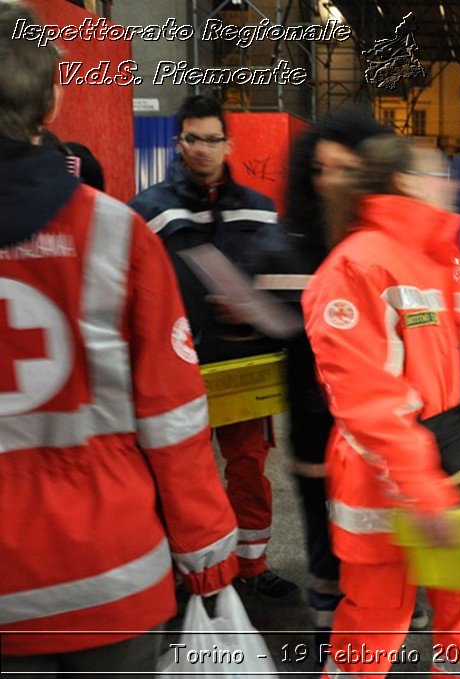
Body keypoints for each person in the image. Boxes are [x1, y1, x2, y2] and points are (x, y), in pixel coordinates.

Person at [0, 1, 238, 675]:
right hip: (112, 576)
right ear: (52, 102)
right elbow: (173, 413)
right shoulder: (117, 233)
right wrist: (207, 552)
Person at [302, 135, 460, 678]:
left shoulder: (450, 264)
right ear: (406, 183)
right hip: (385, 488)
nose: (453, 184)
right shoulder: (355, 267)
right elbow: (368, 403)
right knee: (373, 628)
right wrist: (426, 493)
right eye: (440, 173)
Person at [251, 107, 433, 641]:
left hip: (383, 426)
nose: (332, 181)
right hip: (314, 415)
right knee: (325, 525)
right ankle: (335, 619)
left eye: (346, 169)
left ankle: (388, 610)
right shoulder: (293, 243)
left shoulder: (393, 249)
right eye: (321, 169)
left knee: (384, 528)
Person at [129, 95, 298, 602]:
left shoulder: (260, 209)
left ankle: (252, 565)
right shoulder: (148, 211)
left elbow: (278, 280)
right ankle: (192, 575)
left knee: (249, 469)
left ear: (230, 144)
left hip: (244, 367)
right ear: (178, 142)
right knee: (183, 478)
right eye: (192, 138)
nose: (202, 149)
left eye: (212, 138)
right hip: (179, 373)